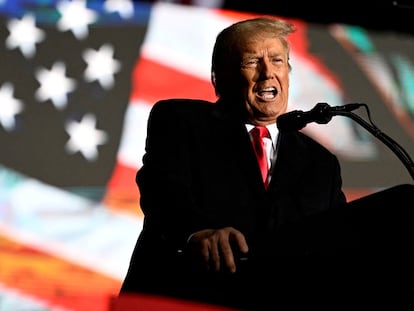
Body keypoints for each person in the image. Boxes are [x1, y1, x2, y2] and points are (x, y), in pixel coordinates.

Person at [119, 16, 414, 309]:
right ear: (219, 76)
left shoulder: (320, 163)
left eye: (277, 61)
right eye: (251, 62)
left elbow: (335, 240)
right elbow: (163, 189)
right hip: (185, 296)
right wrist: (198, 233)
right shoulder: (182, 121)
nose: (267, 74)